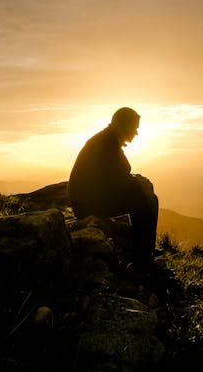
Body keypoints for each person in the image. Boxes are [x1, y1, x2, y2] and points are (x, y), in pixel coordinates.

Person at [67, 107, 159, 263]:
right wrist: (139, 183)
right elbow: (118, 181)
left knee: (143, 193)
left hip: (88, 199)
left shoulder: (107, 139)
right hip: (89, 204)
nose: (136, 133)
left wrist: (137, 181)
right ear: (125, 125)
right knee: (145, 199)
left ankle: (144, 248)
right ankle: (143, 253)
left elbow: (113, 177)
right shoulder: (107, 143)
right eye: (135, 128)